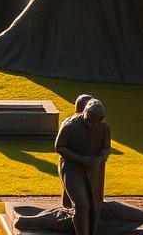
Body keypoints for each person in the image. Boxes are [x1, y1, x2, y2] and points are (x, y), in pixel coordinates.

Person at [55, 99, 111, 235]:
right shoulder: (70, 125)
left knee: (94, 204)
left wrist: (100, 158)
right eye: (90, 121)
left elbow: (106, 148)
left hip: (92, 171)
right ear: (84, 113)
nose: (93, 125)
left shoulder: (104, 128)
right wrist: (79, 158)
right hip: (72, 169)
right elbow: (59, 147)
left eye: (96, 122)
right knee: (82, 204)